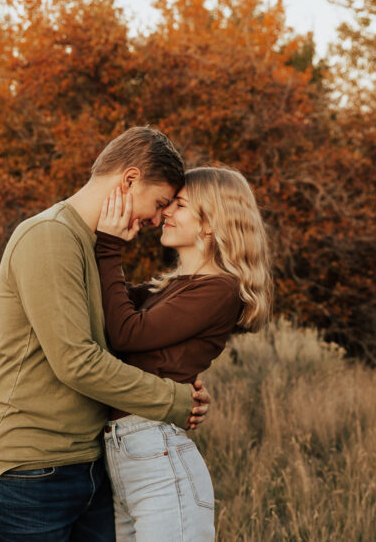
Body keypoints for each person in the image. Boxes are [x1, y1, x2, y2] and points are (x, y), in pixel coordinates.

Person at [0, 126, 212, 542]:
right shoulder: (49, 236)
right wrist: (173, 399)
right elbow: (78, 363)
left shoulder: (91, 244)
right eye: (159, 202)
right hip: (26, 472)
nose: (155, 219)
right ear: (129, 180)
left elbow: (119, 333)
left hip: (86, 465)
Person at [94, 166, 273, 541]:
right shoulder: (171, 287)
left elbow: (125, 333)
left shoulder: (218, 290)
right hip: (127, 457)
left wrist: (109, 246)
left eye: (180, 205)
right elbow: (110, 305)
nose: (165, 214)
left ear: (211, 224)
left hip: (158, 463)